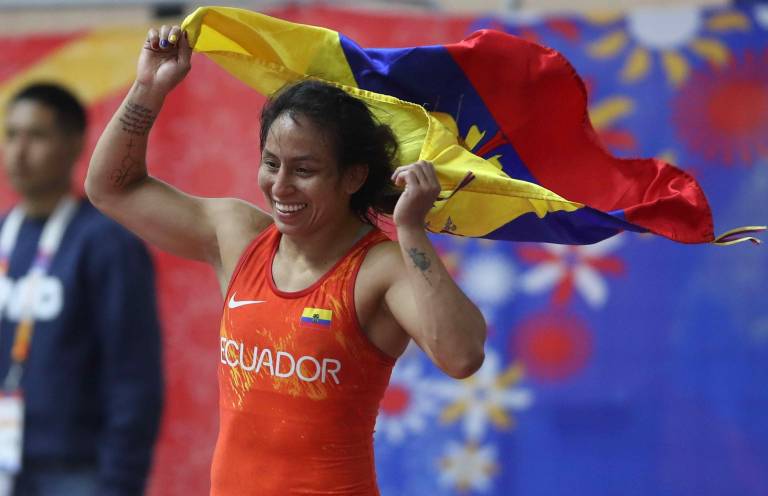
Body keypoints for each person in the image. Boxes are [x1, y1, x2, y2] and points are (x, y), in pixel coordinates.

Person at [86, 25, 486, 496]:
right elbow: (113, 188)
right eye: (271, 163)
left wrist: (412, 229)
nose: (281, 186)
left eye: (305, 170)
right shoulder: (236, 237)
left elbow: (462, 356)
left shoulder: (378, 269)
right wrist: (148, 88)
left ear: (353, 176)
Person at [0, 82, 163, 496]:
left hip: (77, 469)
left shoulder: (108, 243)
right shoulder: (4, 235)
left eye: (36, 136)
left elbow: (134, 376)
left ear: (75, 145)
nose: (19, 152)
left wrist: (120, 482)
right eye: (11, 135)